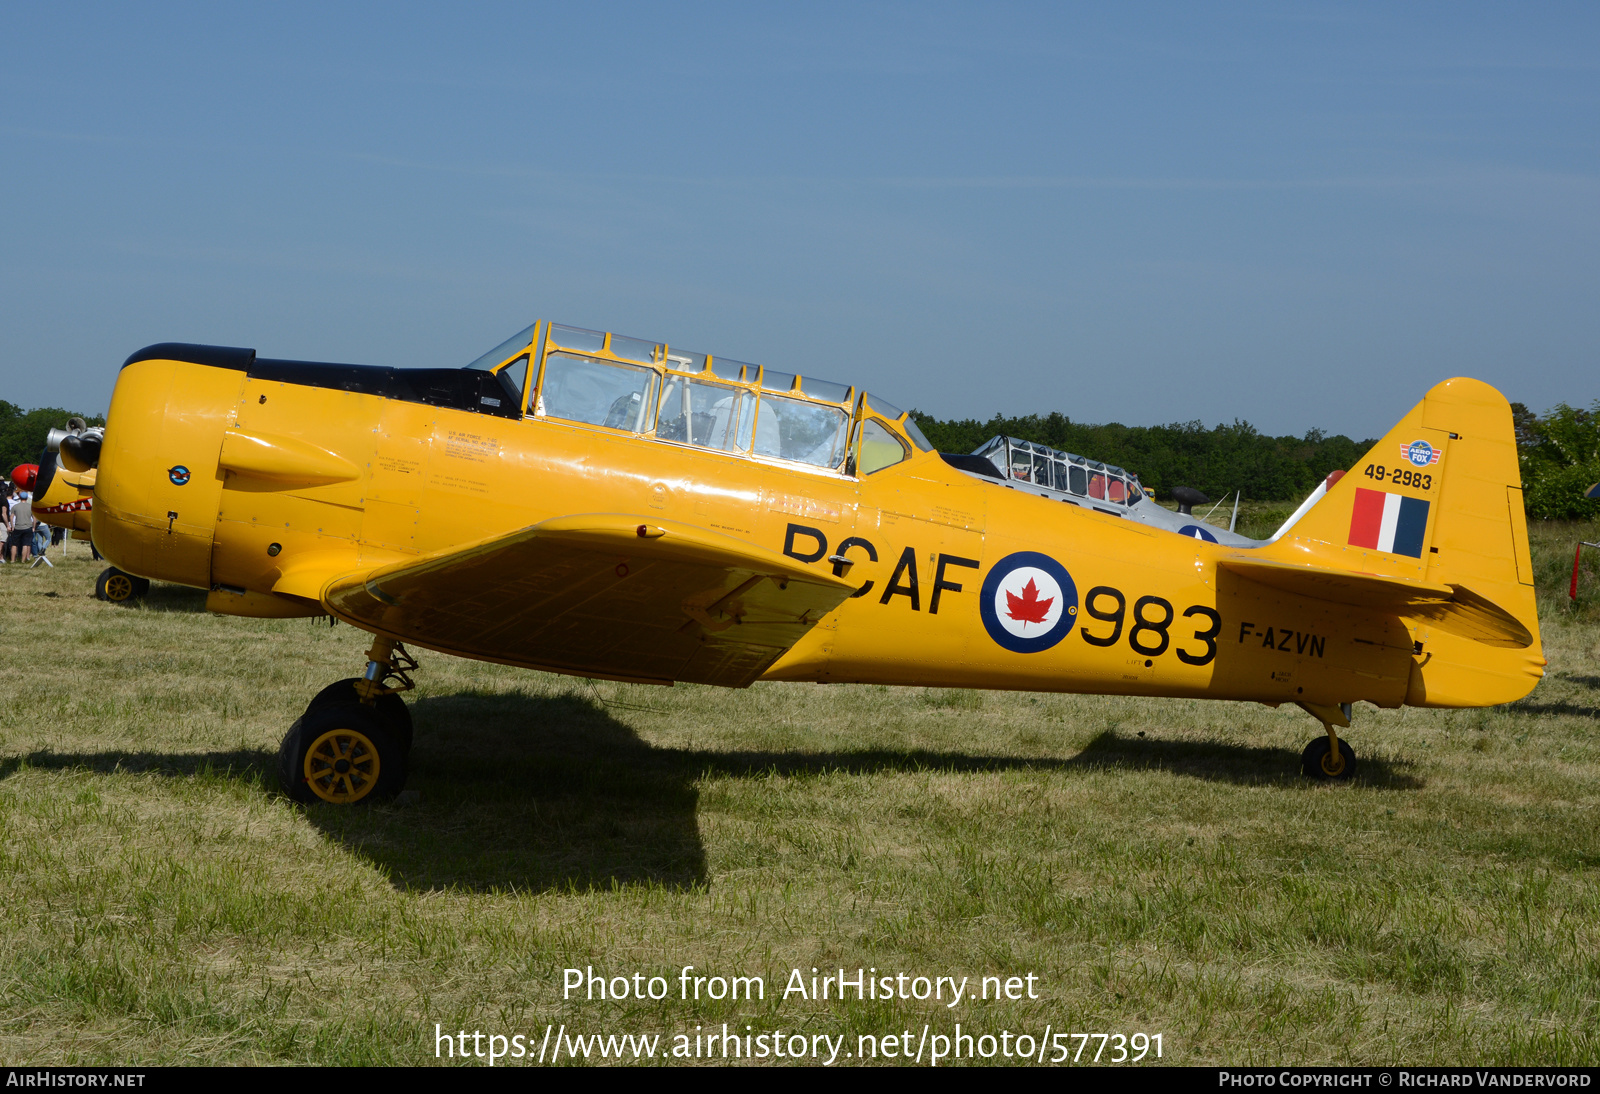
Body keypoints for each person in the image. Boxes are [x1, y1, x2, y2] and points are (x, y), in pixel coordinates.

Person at [6, 485, 34, 563]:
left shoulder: (15, 506)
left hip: (18, 527)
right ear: (26, 498)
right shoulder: (30, 506)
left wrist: (12, 526)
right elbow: (34, 518)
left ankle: (12, 560)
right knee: (25, 544)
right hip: (27, 526)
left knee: (14, 544)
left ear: (20, 497)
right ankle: (23, 560)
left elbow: (11, 517)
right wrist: (33, 526)